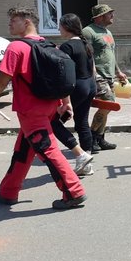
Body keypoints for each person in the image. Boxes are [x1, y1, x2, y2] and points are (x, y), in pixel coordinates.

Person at [0, 7, 86, 210]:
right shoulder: (47, 44)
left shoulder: (16, 47)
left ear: (27, 22)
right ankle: (8, 192)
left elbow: (1, 81)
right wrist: (64, 102)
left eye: (13, 20)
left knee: (48, 150)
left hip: (30, 110)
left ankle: (74, 192)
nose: (9, 24)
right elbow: (60, 78)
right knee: (23, 150)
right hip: (48, 107)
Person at [50, 14, 96, 177]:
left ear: (67, 27)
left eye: (60, 25)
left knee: (53, 122)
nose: (58, 29)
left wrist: (65, 100)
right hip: (90, 84)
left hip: (77, 86)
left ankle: (81, 155)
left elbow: (65, 76)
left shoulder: (67, 47)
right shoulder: (85, 44)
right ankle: (87, 161)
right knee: (82, 122)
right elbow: (93, 69)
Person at [82, 4, 127, 152]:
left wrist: (118, 72)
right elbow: (86, 55)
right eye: (109, 14)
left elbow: (110, 55)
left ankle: (100, 139)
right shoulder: (88, 32)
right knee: (108, 103)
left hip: (109, 76)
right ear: (100, 17)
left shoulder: (107, 32)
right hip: (98, 75)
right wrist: (93, 74)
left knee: (106, 107)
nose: (112, 16)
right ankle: (92, 137)